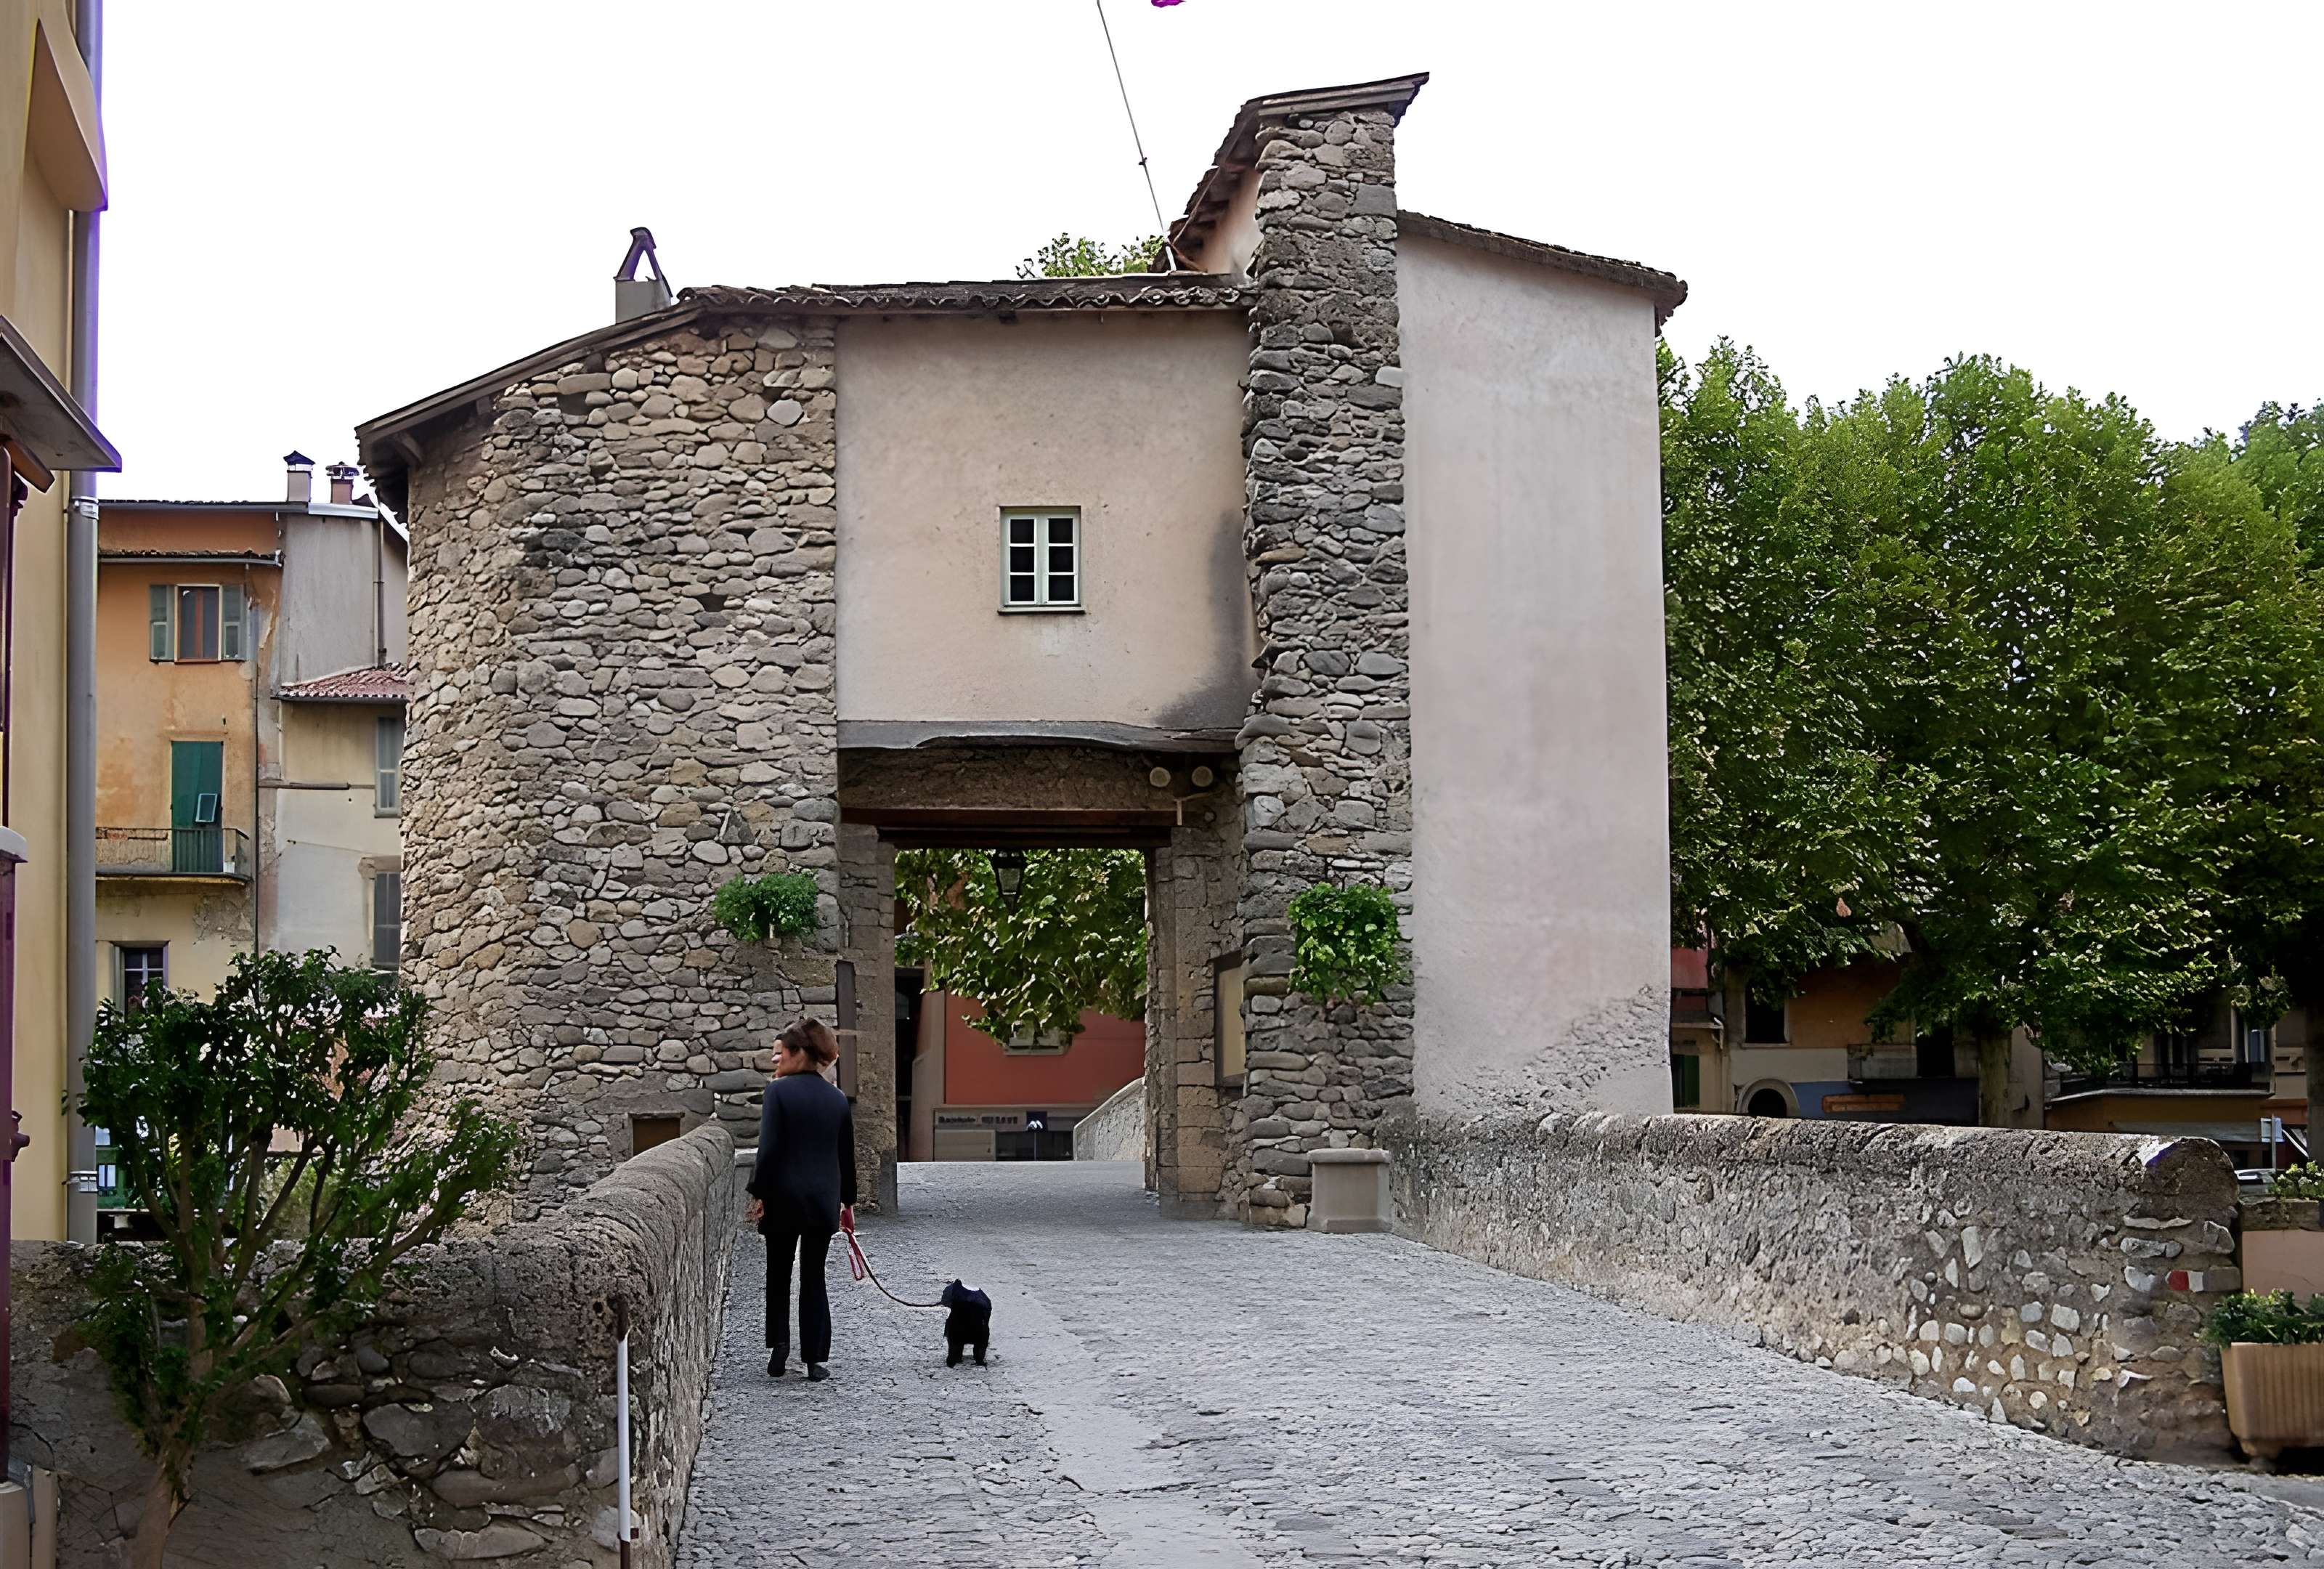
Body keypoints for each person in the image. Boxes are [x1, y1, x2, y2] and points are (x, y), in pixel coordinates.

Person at [746, 1017, 857, 1382]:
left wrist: (758, 1193)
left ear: (798, 1053)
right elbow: (845, 1158)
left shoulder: (777, 1093)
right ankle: (814, 1360)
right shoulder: (837, 1099)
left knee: (778, 1274)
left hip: (783, 1199)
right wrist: (847, 1203)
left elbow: (770, 1151)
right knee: (814, 1276)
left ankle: (779, 1350)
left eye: (784, 1053)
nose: (778, 1060)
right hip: (822, 1202)